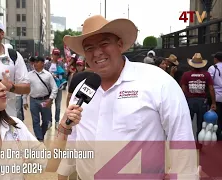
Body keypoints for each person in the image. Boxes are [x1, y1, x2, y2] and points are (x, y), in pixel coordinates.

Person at [53, 15, 198, 180]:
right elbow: (76, 139)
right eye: (89, 47)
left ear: (120, 44)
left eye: (104, 43)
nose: (97, 52)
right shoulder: (83, 88)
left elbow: (181, 138)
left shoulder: (158, 81)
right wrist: (63, 173)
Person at [23, 56, 58, 141]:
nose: (35, 64)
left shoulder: (48, 75)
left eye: (37, 62)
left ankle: (41, 135)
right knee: (35, 121)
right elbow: (25, 88)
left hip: (45, 101)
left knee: (46, 121)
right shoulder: (29, 75)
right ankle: (39, 138)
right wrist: (24, 100)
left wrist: (50, 99)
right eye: (34, 62)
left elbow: (55, 88)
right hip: (33, 100)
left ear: (42, 63)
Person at [44, 48, 65, 129]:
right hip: (49, 88)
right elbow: (44, 74)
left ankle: (57, 121)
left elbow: (64, 74)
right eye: (54, 54)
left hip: (58, 88)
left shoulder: (61, 64)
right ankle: (49, 121)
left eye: (57, 55)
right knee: (49, 105)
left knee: (58, 106)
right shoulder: (47, 64)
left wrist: (60, 75)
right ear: (52, 55)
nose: (56, 56)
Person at [208, 52, 222, 140]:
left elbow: (210, 83)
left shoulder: (212, 68)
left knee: (215, 117)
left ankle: (215, 134)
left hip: (216, 96)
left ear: (216, 59)